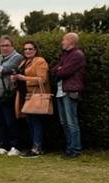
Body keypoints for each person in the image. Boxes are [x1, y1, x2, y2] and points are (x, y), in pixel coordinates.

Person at [50, 31, 88, 159]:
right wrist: (59, 69)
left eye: (64, 40)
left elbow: (63, 72)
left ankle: (75, 150)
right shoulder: (66, 55)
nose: (62, 42)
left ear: (71, 41)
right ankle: (69, 148)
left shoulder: (77, 55)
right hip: (61, 92)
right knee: (64, 122)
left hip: (70, 91)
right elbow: (54, 70)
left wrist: (60, 69)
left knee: (71, 122)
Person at [11, 40, 51, 157]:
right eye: (25, 49)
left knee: (36, 122)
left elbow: (42, 79)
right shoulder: (23, 62)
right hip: (25, 95)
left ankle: (37, 148)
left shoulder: (40, 61)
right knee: (30, 122)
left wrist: (24, 78)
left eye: (30, 49)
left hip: (35, 95)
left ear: (35, 50)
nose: (27, 51)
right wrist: (15, 79)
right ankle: (34, 147)